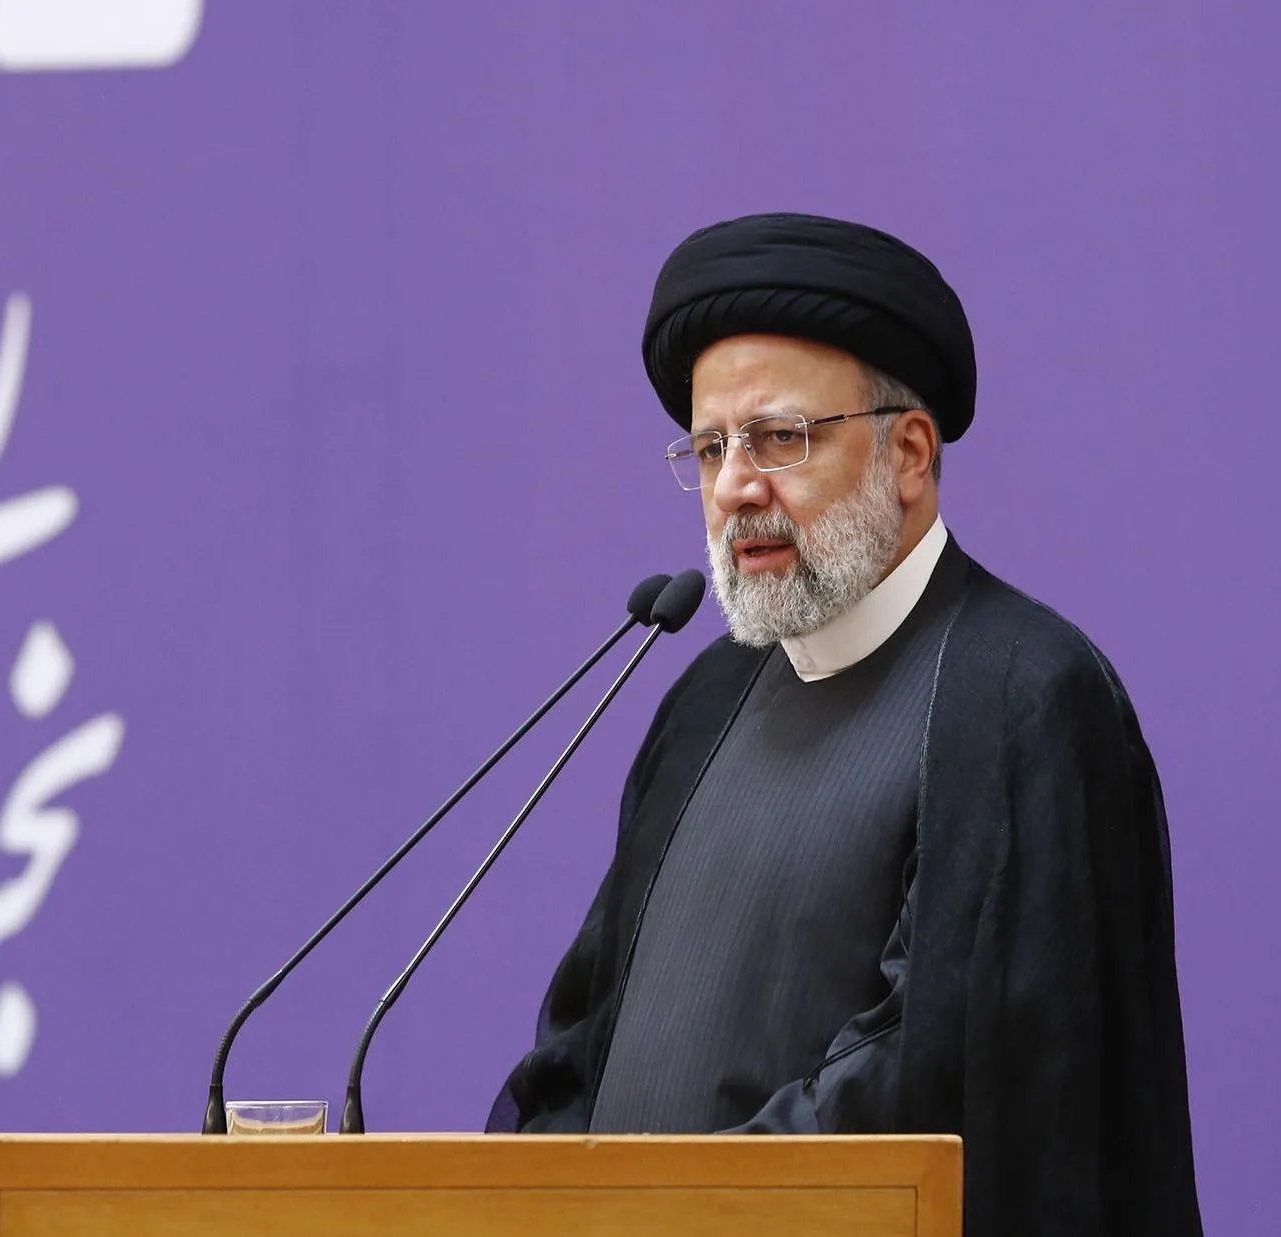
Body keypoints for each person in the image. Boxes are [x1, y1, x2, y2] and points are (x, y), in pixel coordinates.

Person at [487, 213, 1202, 1236]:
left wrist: (663, 1211)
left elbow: (938, 1072)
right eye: (710, 448)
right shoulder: (705, 699)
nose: (735, 485)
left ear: (907, 453)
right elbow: (582, 1038)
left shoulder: (1019, 695)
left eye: (779, 437)